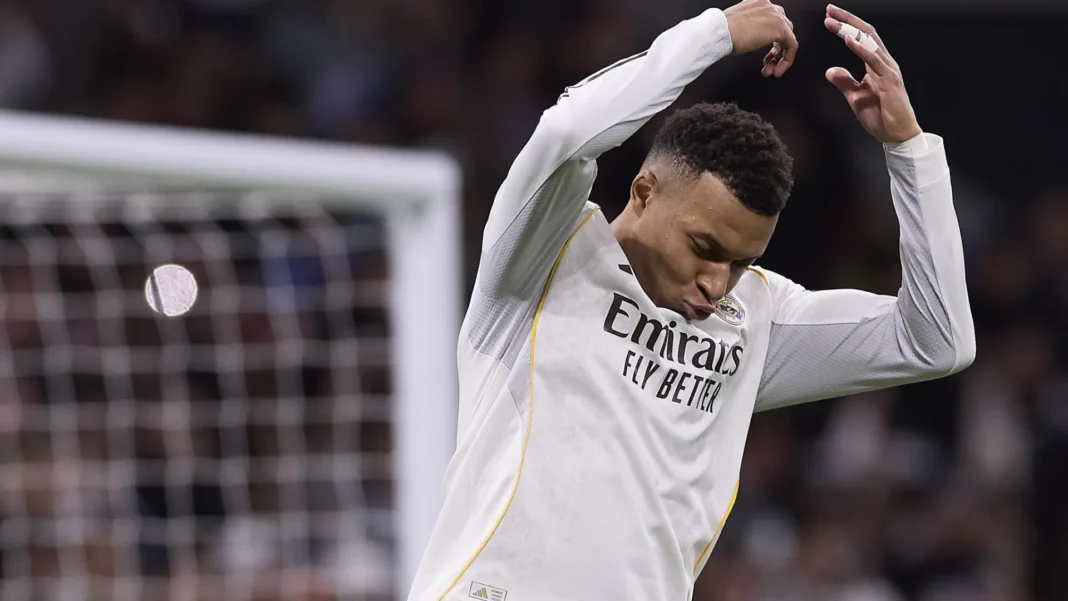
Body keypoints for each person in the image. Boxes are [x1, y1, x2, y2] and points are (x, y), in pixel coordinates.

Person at [408, 2, 975, 600]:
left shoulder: (755, 321)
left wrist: (909, 151)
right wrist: (713, 35)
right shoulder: (541, 254)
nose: (717, 282)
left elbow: (937, 341)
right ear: (644, 192)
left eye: (742, 262)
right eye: (704, 247)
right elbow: (566, 132)